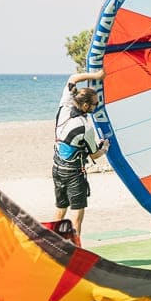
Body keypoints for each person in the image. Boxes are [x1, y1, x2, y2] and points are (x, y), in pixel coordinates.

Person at [52, 69, 110, 245]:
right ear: (85, 106)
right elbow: (95, 154)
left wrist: (96, 76)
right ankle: (76, 250)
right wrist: (105, 146)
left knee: (60, 209)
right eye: (94, 104)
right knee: (76, 216)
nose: (95, 107)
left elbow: (73, 78)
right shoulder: (85, 127)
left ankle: (53, 244)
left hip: (57, 169)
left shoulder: (66, 105)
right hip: (74, 174)